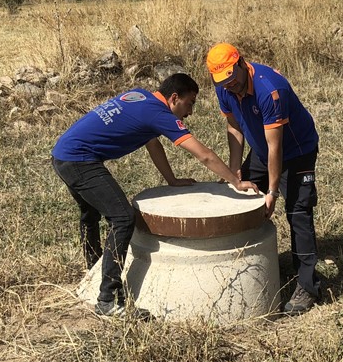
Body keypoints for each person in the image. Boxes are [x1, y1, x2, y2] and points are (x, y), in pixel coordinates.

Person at [51, 73, 258, 316]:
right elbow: (204, 154)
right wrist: (236, 180)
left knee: (90, 212)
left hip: (62, 154)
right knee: (123, 218)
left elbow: (153, 143)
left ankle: (95, 269)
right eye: (190, 103)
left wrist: (171, 180)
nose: (190, 112)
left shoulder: (140, 97)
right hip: (80, 161)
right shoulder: (158, 114)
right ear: (174, 98)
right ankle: (108, 298)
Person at [206, 43, 321, 316]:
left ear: (241, 63)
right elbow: (234, 127)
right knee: (237, 194)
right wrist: (235, 172)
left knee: (298, 213)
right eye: (222, 82)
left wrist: (272, 191)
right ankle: (244, 267)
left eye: (232, 79)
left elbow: (276, 148)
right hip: (262, 150)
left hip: (296, 151)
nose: (229, 86)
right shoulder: (224, 86)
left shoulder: (270, 89)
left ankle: (307, 284)